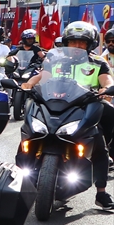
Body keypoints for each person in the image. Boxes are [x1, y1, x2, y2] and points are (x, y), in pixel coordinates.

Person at [20, 20, 114, 210]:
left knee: (99, 144)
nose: (77, 46)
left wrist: (106, 88)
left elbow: (106, 80)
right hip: (54, 104)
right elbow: (42, 77)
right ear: (67, 43)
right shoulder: (55, 60)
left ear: (90, 45)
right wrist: (29, 84)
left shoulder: (98, 62)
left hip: (84, 106)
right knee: (28, 132)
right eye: (73, 42)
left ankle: (101, 192)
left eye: (82, 43)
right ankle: (17, 178)